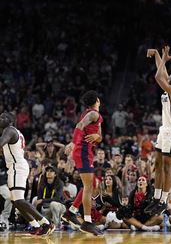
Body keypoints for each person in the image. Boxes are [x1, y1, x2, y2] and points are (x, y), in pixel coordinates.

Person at [0, 112, 55, 236]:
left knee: (18, 200)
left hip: (16, 167)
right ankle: (36, 226)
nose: (0, 119)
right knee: (16, 201)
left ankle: (45, 223)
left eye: (2, 118)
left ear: (10, 121)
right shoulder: (14, 132)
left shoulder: (9, 130)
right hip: (17, 166)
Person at [145, 46, 171, 216]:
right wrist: (158, 55)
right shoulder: (169, 88)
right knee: (158, 165)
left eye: (169, 78)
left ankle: (163, 201)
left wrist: (163, 60)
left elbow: (158, 76)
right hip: (165, 130)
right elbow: (161, 74)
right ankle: (156, 198)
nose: (166, 78)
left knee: (167, 167)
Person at [68, 90, 104, 236]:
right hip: (82, 151)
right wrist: (72, 143)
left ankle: (71, 212)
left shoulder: (95, 116)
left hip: (86, 152)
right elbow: (79, 125)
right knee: (89, 186)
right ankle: (87, 222)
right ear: (97, 100)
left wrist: (97, 136)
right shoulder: (93, 114)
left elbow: (99, 137)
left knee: (92, 184)